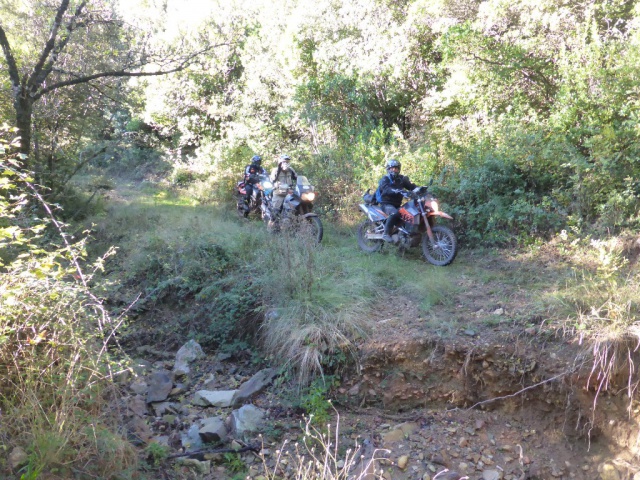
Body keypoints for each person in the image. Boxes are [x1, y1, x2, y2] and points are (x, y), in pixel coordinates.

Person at [377, 159, 416, 242]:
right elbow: (386, 189)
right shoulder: (385, 179)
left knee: (408, 214)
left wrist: (420, 189)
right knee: (394, 213)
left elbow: (411, 186)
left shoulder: (401, 179)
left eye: (396, 168)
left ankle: (403, 236)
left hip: (397, 205)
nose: (394, 170)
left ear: (399, 169)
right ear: (388, 169)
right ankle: (386, 234)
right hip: (386, 204)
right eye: (392, 168)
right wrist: (396, 190)